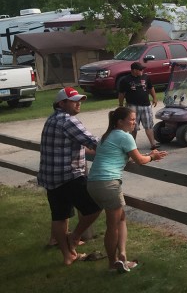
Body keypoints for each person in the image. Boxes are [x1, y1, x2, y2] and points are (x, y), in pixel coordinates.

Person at [87, 107, 167, 272]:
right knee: (113, 225)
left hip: (93, 182)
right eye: (131, 120)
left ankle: (122, 256)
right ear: (120, 122)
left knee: (120, 218)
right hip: (108, 183)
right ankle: (113, 263)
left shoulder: (107, 135)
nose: (134, 123)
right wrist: (153, 156)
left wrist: (144, 156)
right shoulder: (125, 136)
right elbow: (140, 160)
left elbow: (120, 155)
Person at [38, 87, 103, 265]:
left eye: (79, 100)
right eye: (74, 101)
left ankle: (68, 256)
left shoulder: (51, 119)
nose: (78, 104)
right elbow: (94, 142)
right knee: (95, 206)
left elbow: (69, 144)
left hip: (51, 177)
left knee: (59, 216)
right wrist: (121, 146)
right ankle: (74, 237)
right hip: (69, 175)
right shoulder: (68, 120)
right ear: (62, 103)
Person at [118, 62, 159, 149]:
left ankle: (153, 144)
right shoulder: (125, 80)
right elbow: (121, 93)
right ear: (134, 70)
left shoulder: (146, 77)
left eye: (142, 69)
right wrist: (121, 104)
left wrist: (154, 98)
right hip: (132, 106)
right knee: (133, 127)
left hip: (146, 105)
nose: (142, 71)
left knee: (149, 125)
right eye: (140, 69)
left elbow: (151, 88)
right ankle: (133, 146)